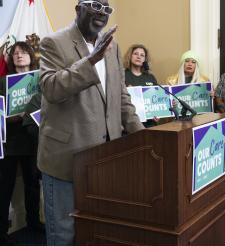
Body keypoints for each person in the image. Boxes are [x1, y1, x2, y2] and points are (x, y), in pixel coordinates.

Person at [38, 0, 144, 245]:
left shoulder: (112, 45)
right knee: (64, 234)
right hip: (66, 158)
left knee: (96, 229)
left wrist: (142, 135)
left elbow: (120, 95)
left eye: (107, 9)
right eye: (95, 6)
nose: (101, 13)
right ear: (78, 9)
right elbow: (51, 89)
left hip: (105, 156)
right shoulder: (53, 42)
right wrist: (91, 61)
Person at [0, 41, 43, 245]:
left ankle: (33, 221)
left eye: (23, 52)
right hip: (10, 141)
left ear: (31, 56)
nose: (19, 56)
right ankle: (2, 231)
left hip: (33, 139)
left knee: (32, 184)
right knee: (5, 186)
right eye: (15, 53)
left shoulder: (41, 78)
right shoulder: (4, 81)